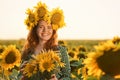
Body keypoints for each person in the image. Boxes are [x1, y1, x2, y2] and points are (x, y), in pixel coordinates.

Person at [19, 1, 71, 80]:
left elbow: (67, 76)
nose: (45, 30)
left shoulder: (61, 51)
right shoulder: (27, 51)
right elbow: (20, 76)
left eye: (49, 27)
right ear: (35, 29)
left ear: (53, 30)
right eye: (41, 27)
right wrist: (23, 75)